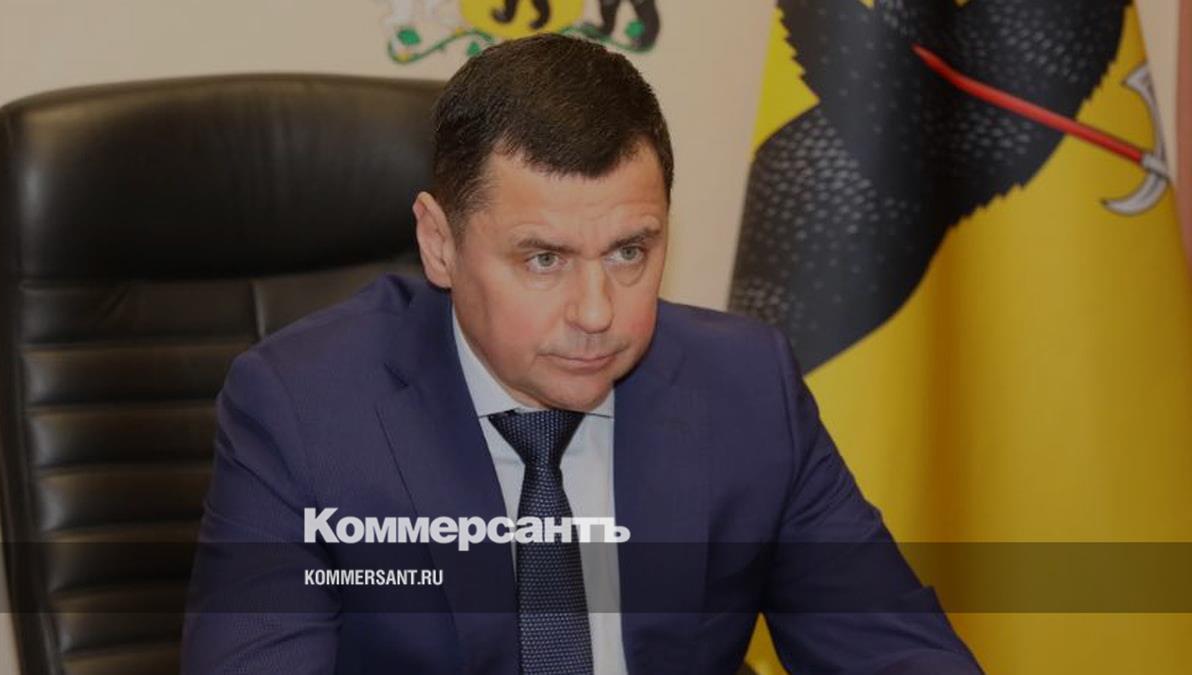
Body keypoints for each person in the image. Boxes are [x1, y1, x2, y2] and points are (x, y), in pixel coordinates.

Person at [182, 33, 982, 674]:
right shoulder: (304, 409)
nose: (598, 312)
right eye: (543, 259)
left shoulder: (747, 387)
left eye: (630, 251)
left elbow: (891, 645)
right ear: (439, 243)